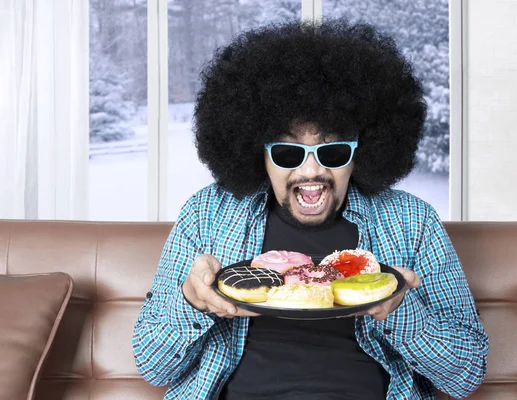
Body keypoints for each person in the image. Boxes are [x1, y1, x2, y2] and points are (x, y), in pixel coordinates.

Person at [133, 19, 489, 400]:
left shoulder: (411, 221)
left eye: (332, 151)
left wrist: (401, 312)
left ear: (360, 154)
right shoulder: (207, 214)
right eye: (288, 152)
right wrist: (191, 300)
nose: (311, 171)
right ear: (259, 154)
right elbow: (154, 366)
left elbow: (466, 375)